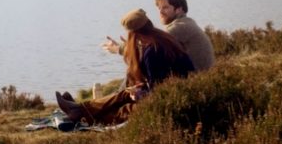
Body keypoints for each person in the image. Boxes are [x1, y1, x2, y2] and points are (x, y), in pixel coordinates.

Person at [56, 8, 194, 125]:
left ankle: (82, 115)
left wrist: (140, 94)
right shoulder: (162, 38)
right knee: (124, 94)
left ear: (134, 33)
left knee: (125, 109)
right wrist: (140, 90)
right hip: (181, 92)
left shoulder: (153, 51)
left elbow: (158, 91)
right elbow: (161, 80)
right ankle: (79, 109)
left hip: (176, 100)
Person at [102, 0, 215, 71]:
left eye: (165, 7)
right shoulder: (185, 23)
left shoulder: (180, 27)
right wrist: (129, 45)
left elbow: (149, 50)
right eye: (159, 8)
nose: (160, 12)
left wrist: (118, 48)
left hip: (194, 81)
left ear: (179, 9)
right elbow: (149, 48)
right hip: (197, 76)